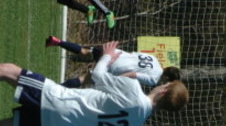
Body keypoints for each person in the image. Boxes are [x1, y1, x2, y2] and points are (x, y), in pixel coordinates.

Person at [0, 36, 188, 126]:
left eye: (165, 84)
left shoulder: (134, 90)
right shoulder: (138, 122)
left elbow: (97, 75)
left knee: (8, 70)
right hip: (58, 125)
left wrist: (107, 56)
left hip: (59, 99)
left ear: (164, 90)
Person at [46, 36, 181, 87]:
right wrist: (115, 81)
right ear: (166, 78)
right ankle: (53, 90)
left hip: (115, 53)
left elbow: (134, 54)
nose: (165, 84)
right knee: (84, 80)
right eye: (167, 82)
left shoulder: (154, 59)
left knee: (84, 51)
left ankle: (57, 42)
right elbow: (133, 74)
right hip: (115, 68)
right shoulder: (154, 79)